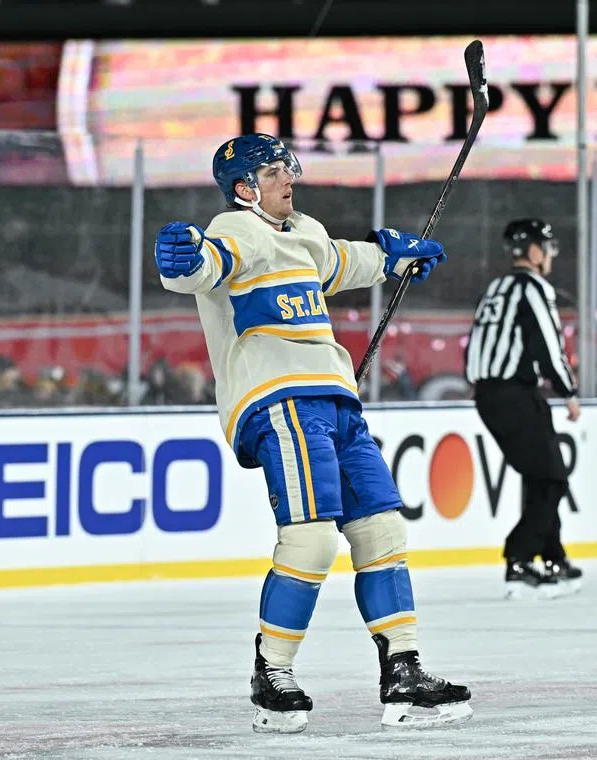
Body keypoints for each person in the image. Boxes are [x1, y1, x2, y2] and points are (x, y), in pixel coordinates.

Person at [153, 133, 470, 734]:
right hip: (281, 401)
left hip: (336, 400)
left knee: (382, 529)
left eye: (286, 167)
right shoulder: (237, 230)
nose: (288, 178)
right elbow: (207, 265)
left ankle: (402, 669)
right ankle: (272, 674)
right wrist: (184, 260)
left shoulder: (304, 233)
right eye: (273, 172)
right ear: (245, 189)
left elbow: (343, 261)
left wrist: (394, 256)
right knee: (313, 541)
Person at [463, 218, 583, 600]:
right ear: (533, 250)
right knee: (551, 479)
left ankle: (553, 557)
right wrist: (569, 390)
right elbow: (548, 344)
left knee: (540, 476)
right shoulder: (533, 288)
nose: (548, 255)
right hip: (514, 394)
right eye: (545, 247)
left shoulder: (496, 288)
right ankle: (519, 558)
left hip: (492, 394)